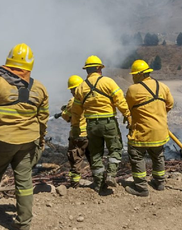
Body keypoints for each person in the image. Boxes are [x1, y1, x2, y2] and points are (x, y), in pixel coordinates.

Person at [0, 44, 49, 230]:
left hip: (0, 141)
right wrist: (40, 140)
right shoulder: (39, 87)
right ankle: (23, 224)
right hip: (28, 142)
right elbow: (43, 119)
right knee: (24, 182)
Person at [71, 55, 131, 192]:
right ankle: (111, 174)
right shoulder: (108, 82)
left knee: (96, 154)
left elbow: (75, 111)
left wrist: (75, 127)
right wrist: (127, 115)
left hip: (91, 125)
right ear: (99, 68)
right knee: (115, 149)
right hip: (109, 123)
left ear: (87, 70)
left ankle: (98, 184)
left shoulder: (81, 87)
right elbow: (120, 100)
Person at [124, 60, 174, 197]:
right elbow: (170, 104)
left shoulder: (133, 90)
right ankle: (159, 183)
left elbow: (127, 108)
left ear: (139, 75)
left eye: (134, 75)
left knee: (136, 155)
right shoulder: (163, 86)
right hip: (161, 131)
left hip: (142, 132)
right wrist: (158, 115)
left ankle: (141, 187)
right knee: (158, 156)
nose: (132, 77)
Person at [55, 75, 90, 188]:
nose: (71, 91)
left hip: (78, 136)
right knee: (94, 160)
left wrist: (63, 112)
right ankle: (100, 183)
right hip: (91, 135)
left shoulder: (73, 101)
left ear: (77, 88)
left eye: (72, 89)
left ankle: (74, 185)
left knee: (75, 160)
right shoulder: (90, 98)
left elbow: (68, 117)